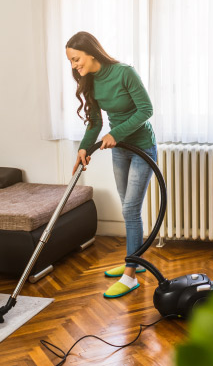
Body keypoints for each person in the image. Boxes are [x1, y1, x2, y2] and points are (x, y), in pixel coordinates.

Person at [66, 31, 157, 298]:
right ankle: (134, 261)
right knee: (128, 208)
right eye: (71, 61)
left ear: (91, 52)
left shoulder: (124, 73)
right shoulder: (90, 81)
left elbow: (146, 110)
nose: (74, 65)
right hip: (120, 150)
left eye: (76, 59)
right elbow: (95, 122)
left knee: (130, 208)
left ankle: (130, 276)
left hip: (141, 147)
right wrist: (84, 147)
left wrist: (115, 134)